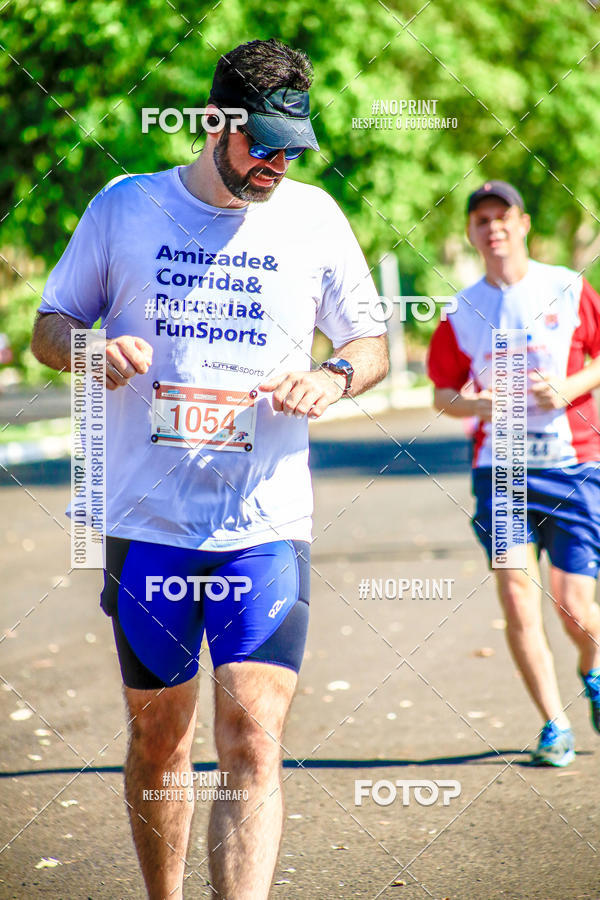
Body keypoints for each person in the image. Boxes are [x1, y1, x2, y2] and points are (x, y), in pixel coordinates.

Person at [31, 39, 388, 899]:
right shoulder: (126, 206)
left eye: (290, 149)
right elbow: (49, 327)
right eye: (260, 144)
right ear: (212, 122)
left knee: (253, 737)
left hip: (264, 525)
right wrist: (89, 350)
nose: (275, 165)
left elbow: (370, 342)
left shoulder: (313, 219)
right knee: (161, 740)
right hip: (148, 524)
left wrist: (334, 376)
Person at [427, 180, 600, 767]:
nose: (493, 227)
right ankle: (553, 724)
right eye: (482, 220)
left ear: (523, 224)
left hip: (572, 465)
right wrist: (476, 404)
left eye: (503, 216)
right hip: (499, 472)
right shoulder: (460, 309)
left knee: (575, 607)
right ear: (472, 234)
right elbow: (442, 394)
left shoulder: (567, 287)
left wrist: (570, 387)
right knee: (518, 597)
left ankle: (592, 668)